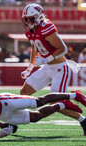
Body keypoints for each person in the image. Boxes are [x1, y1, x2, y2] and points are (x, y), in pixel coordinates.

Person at [19, 3, 86, 136]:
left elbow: (63, 49)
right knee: (24, 92)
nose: (28, 22)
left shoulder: (46, 27)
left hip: (60, 69)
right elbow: (35, 48)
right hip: (47, 67)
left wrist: (46, 59)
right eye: (26, 19)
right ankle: (12, 123)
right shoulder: (30, 31)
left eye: (30, 19)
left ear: (39, 17)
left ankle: (83, 120)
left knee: (55, 103)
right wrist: (30, 68)